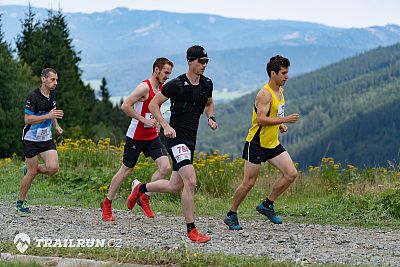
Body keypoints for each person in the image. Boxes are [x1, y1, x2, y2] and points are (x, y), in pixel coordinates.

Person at [127, 45, 218, 243]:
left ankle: (140, 188)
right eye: (201, 61)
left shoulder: (207, 84)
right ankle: (191, 230)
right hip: (175, 138)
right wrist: (165, 125)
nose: (204, 65)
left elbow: (209, 102)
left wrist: (211, 117)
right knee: (191, 181)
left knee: (175, 186)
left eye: (206, 62)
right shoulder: (176, 84)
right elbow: (153, 104)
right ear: (190, 61)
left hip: (190, 140)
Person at [224, 55, 300, 230]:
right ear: (273, 73)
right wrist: (286, 119)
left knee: (291, 173)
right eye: (283, 73)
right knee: (249, 182)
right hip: (256, 143)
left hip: (272, 143)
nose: (286, 76)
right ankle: (231, 214)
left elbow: (273, 115)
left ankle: (267, 205)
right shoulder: (264, 94)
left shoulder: (279, 91)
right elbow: (260, 120)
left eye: (287, 72)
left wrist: (280, 124)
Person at [101, 57, 173, 221]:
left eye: (169, 73)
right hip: (136, 136)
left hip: (152, 136)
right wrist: (144, 120)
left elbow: (155, 109)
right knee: (126, 170)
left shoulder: (161, 88)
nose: (167, 76)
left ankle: (144, 196)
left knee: (165, 167)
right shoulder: (144, 87)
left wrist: (159, 123)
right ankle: (107, 203)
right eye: (166, 72)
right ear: (156, 70)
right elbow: (125, 106)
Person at [17, 68, 64, 214]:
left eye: (56, 80)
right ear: (43, 79)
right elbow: (28, 119)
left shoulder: (53, 95)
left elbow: (53, 112)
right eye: (52, 79)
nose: (55, 82)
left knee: (53, 168)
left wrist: (56, 125)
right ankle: (20, 202)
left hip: (46, 139)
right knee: (31, 173)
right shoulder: (34, 96)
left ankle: (32, 169)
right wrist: (47, 116)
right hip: (31, 139)